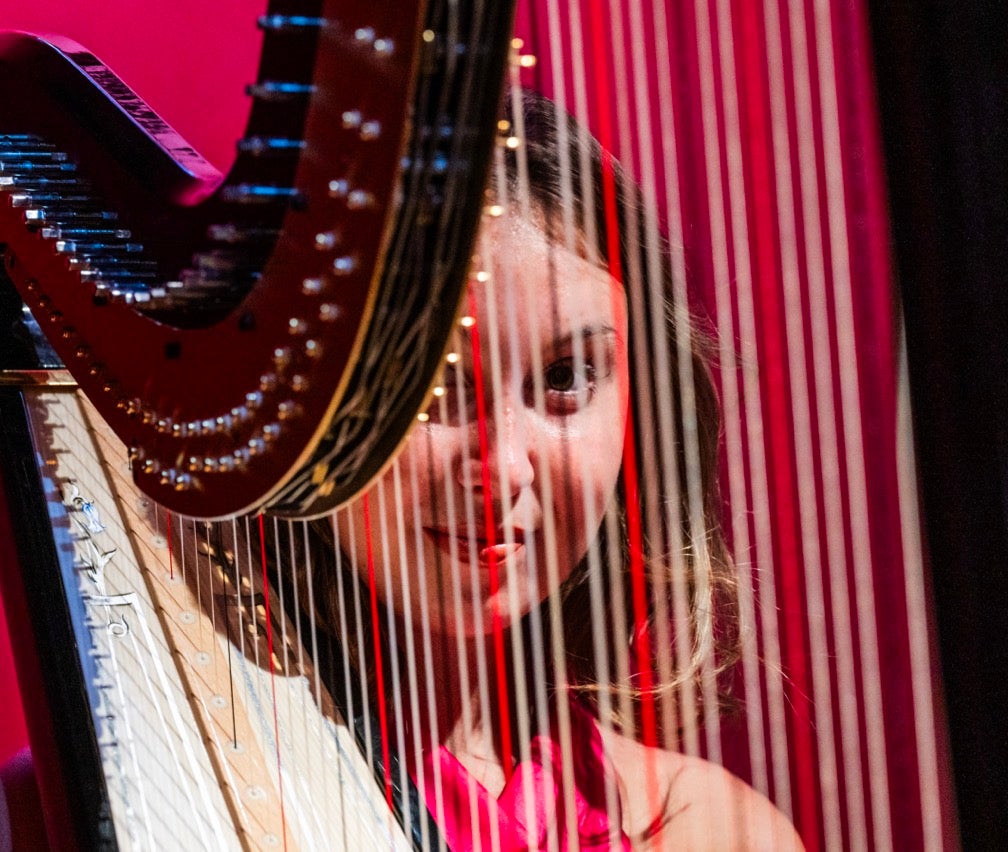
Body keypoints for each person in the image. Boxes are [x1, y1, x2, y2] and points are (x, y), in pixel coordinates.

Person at [256, 90, 804, 850]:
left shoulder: (709, 829)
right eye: (429, 377)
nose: (504, 466)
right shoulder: (189, 762)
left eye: (566, 375)